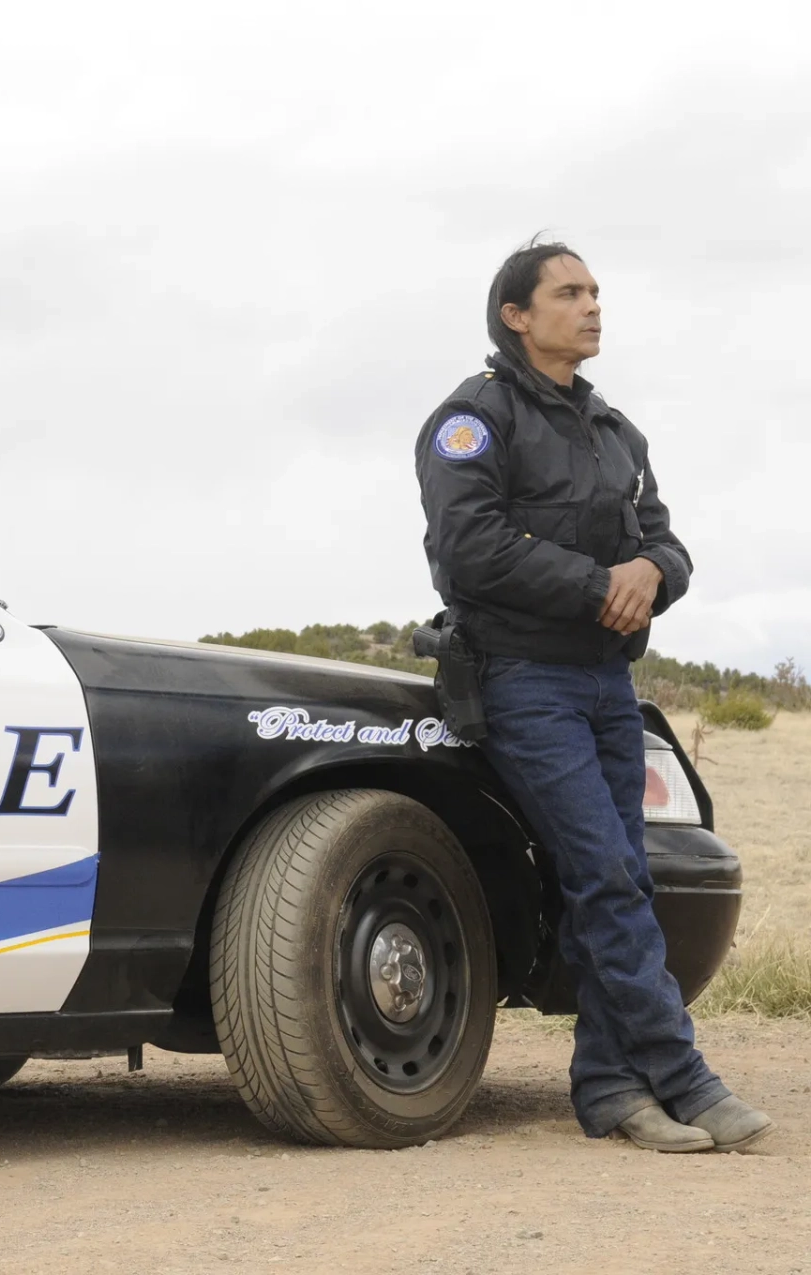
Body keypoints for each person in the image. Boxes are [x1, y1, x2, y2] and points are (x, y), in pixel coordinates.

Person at [414, 239, 774, 1153]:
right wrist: (594, 583)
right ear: (516, 316)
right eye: (569, 293)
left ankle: (610, 1086)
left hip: (609, 682)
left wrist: (652, 569)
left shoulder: (616, 433)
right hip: (522, 681)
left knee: (621, 881)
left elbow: (668, 542)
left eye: (596, 291)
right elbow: (468, 547)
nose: (593, 305)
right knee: (606, 876)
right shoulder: (472, 419)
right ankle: (682, 1073)